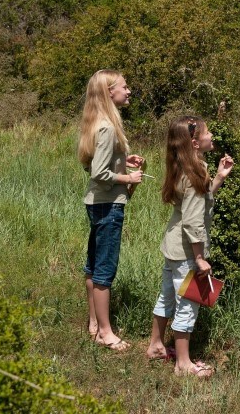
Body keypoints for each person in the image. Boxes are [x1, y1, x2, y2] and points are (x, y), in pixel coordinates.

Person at [146, 116, 234, 378]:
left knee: (168, 296)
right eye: (208, 133)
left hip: (173, 247)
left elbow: (201, 199)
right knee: (187, 303)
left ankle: (156, 346)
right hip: (187, 252)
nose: (211, 135)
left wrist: (218, 177)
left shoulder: (186, 168)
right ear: (195, 142)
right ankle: (183, 364)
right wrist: (200, 258)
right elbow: (194, 222)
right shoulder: (195, 172)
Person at [78, 69, 144, 351]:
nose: (128, 91)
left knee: (93, 266)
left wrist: (122, 158)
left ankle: (94, 324)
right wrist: (128, 177)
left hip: (96, 203)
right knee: (105, 269)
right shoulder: (107, 127)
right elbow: (98, 173)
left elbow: (93, 162)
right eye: (124, 87)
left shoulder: (98, 123)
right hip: (108, 205)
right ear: (109, 93)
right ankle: (106, 332)